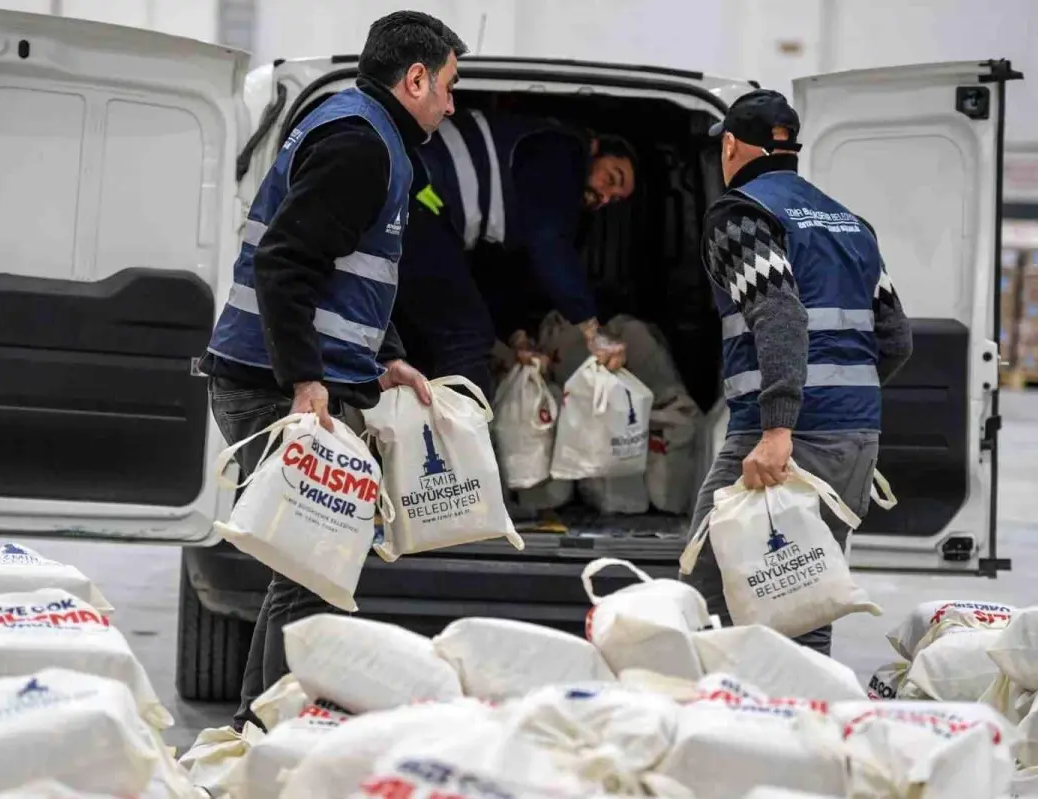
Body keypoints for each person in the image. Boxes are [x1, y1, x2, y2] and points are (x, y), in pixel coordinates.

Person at [198, 10, 467, 730]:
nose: (451, 105)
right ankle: (267, 734)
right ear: (416, 79)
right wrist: (306, 381)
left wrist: (384, 358)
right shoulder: (359, 145)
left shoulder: (368, 134)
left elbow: (348, 275)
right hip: (271, 387)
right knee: (313, 570)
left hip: (276, 378)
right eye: (448, 87)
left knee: (307, 570)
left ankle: (261, 730)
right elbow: (285, 263)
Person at [680, 89, 913, 656]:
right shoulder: (851, 225)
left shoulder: (742, 216)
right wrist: (843, 405)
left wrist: (779, 427)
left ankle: (725, 708)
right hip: (853, 442)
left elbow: (779, 312)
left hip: (781, 441)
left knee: (709, 593)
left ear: (729, 146)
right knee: (805, 603)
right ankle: (803, 709)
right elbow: (896, 339)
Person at [392, 111, 638, 395]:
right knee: (468, 337)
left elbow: (503, 270)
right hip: (418, 193)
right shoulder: (563, 151)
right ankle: (459, 424)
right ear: (594, 147)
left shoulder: (531, 192)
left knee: (436, 327)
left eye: (613, 200)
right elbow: (550, 245)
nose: (605, 197)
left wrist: (517, 335)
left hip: (419, 204)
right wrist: (592, 330)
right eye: (612, 178)